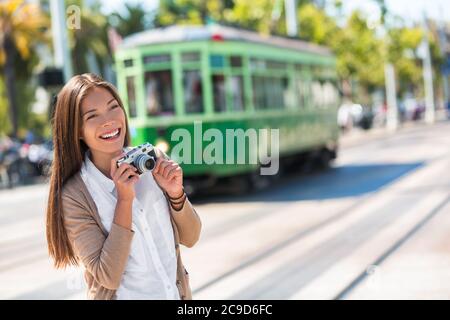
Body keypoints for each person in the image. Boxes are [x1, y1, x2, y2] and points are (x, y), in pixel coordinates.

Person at [45, 73, 201, 300]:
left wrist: (176, 194)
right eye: (92, 116)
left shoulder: (152, 159)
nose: (108, 120)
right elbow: (108, 276)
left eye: (113, 107)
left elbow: (192, 237)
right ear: (77, 130)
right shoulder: (75, 196)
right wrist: (124, 201)